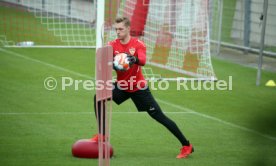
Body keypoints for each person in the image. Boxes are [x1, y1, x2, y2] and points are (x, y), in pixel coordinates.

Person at [92, 16, 194, 159]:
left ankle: (186, 145)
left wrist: (134, 60)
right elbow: (103, 62)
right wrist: (107, 61)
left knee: (160, 117)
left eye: (121, 29)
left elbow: (143, 60)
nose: (118, 32)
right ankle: (102, 134)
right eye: (116, 29)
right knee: (98, 97)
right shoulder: (112, 45)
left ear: (128, 29)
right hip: (122, 86)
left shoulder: (139, 44)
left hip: (139, 88)